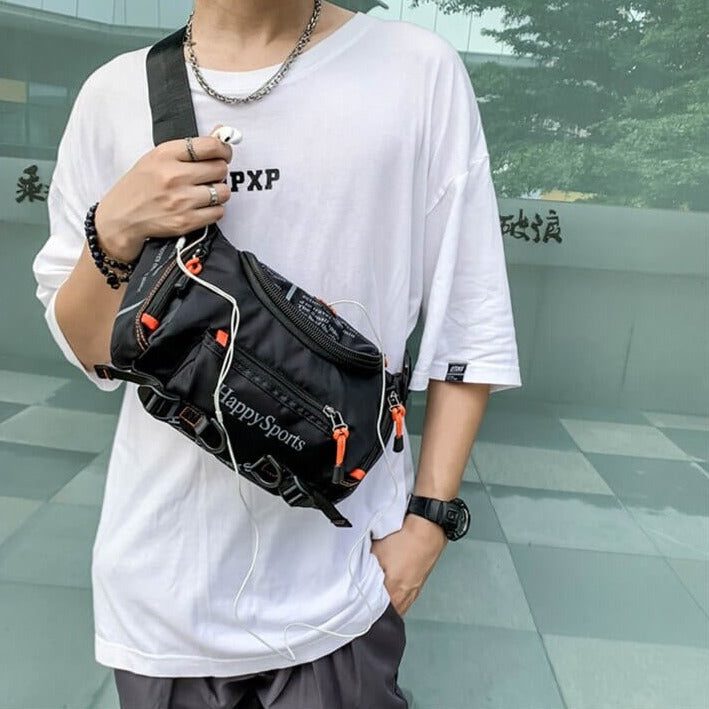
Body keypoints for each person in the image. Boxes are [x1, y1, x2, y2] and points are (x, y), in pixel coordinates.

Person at [32, 1, 522, 707]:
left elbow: (468, 324)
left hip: (342, 589)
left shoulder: (415, 71)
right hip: (159, 590)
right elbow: (91, 350)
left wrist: (428, 526)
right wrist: (113, 229)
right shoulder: (114, 93)